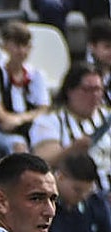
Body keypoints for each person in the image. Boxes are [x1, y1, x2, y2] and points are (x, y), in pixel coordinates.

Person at [30, 63, 111, 191]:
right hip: (79, 194)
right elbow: (43, 162)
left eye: (98, 89)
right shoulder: (49, 121)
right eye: (88, 90)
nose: (94, 95)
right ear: (70, 91)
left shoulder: (107, 117)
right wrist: (71, 150)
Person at [0, 21, 50, 160]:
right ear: (4, 46)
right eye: (17, 46)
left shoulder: (36, 75)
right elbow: (1, 116)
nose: (22, 51)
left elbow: (43, 109)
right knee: (18, 144)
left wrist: (19, 119)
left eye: (26, 46)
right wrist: (19, 120)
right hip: (0, 131)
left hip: (29, 127)